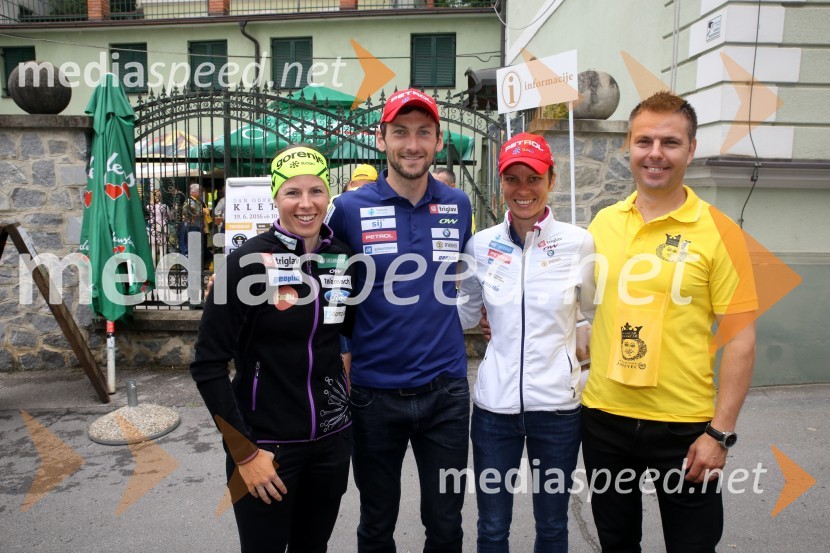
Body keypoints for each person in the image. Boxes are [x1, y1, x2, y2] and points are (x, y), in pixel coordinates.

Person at [581, 91, 758, 552]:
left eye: (670, 142)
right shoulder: (602, 224)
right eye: (644, 141)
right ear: (628, 147)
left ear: (691, 149)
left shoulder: (721, 231)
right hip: (604, 419)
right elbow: (577, 307)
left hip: (686, 429)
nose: (655, 153)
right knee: (617, 545)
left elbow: (741, 339)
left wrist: (719, 432)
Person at [326, 88, 473, 553]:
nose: (413, 144)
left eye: (423, 133)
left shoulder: (459, 204)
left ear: (438, 140)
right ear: (381, 138)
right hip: (373, 395)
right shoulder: (349, 209)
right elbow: (330, 289)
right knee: (375, 525)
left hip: (446, 392)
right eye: (401, 132)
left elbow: (468, 277)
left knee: (447, 526)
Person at [190, 144, 356, 553]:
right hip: (266, 448)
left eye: (316, 191)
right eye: (292, 193)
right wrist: (244, 453)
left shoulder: (341, 258)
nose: (305, 204)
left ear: (328, 195)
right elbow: (207, 365)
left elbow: (347, 335)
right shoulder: (248, 262)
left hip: (331, 444)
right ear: (276, 198)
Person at [456, 132, 595, 553]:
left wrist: (579, 362)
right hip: (494, 410)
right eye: (512, 179)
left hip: (557, 410)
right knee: (492, 527)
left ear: (551, 180)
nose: (523, 190)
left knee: (552, 527)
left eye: (533, 178)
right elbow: (464, 313)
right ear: (501, 184)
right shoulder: (481, 245)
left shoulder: (578, 242)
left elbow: (591, 312)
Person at [179, 181, 210, 266]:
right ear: (193, 192)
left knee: (197, 247)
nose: (200, 193)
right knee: (192, 247)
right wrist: (202, 211)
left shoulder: (198, 201)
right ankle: (190, 266)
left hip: (198, 226)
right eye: (199, 191)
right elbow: (190, 212)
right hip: (192, 226)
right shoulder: (190, 201)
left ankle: (196, 265)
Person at [147, 189, 170, 261]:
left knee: (153, 249)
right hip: (162, 227)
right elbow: (169, 216)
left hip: (153, 228)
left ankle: (153, 267)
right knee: (162, 248)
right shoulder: (164, 206)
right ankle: (163, 266)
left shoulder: (148, 207)